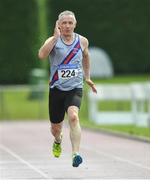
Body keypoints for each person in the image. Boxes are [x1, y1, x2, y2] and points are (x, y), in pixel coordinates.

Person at [38, 10, 97, 167]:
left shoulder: (82, 41)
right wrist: (55, 38)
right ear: (59, 25)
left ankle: (75, 153)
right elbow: (41, 55)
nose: (67, 26)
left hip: (75, 88)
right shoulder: (53, 40)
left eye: (70, 23)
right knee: (56, 128)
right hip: (57, 89)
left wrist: (88, 77)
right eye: (64, 23)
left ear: (75, 24)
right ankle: (58, 140)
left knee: (73, 117)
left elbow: (86, 56)